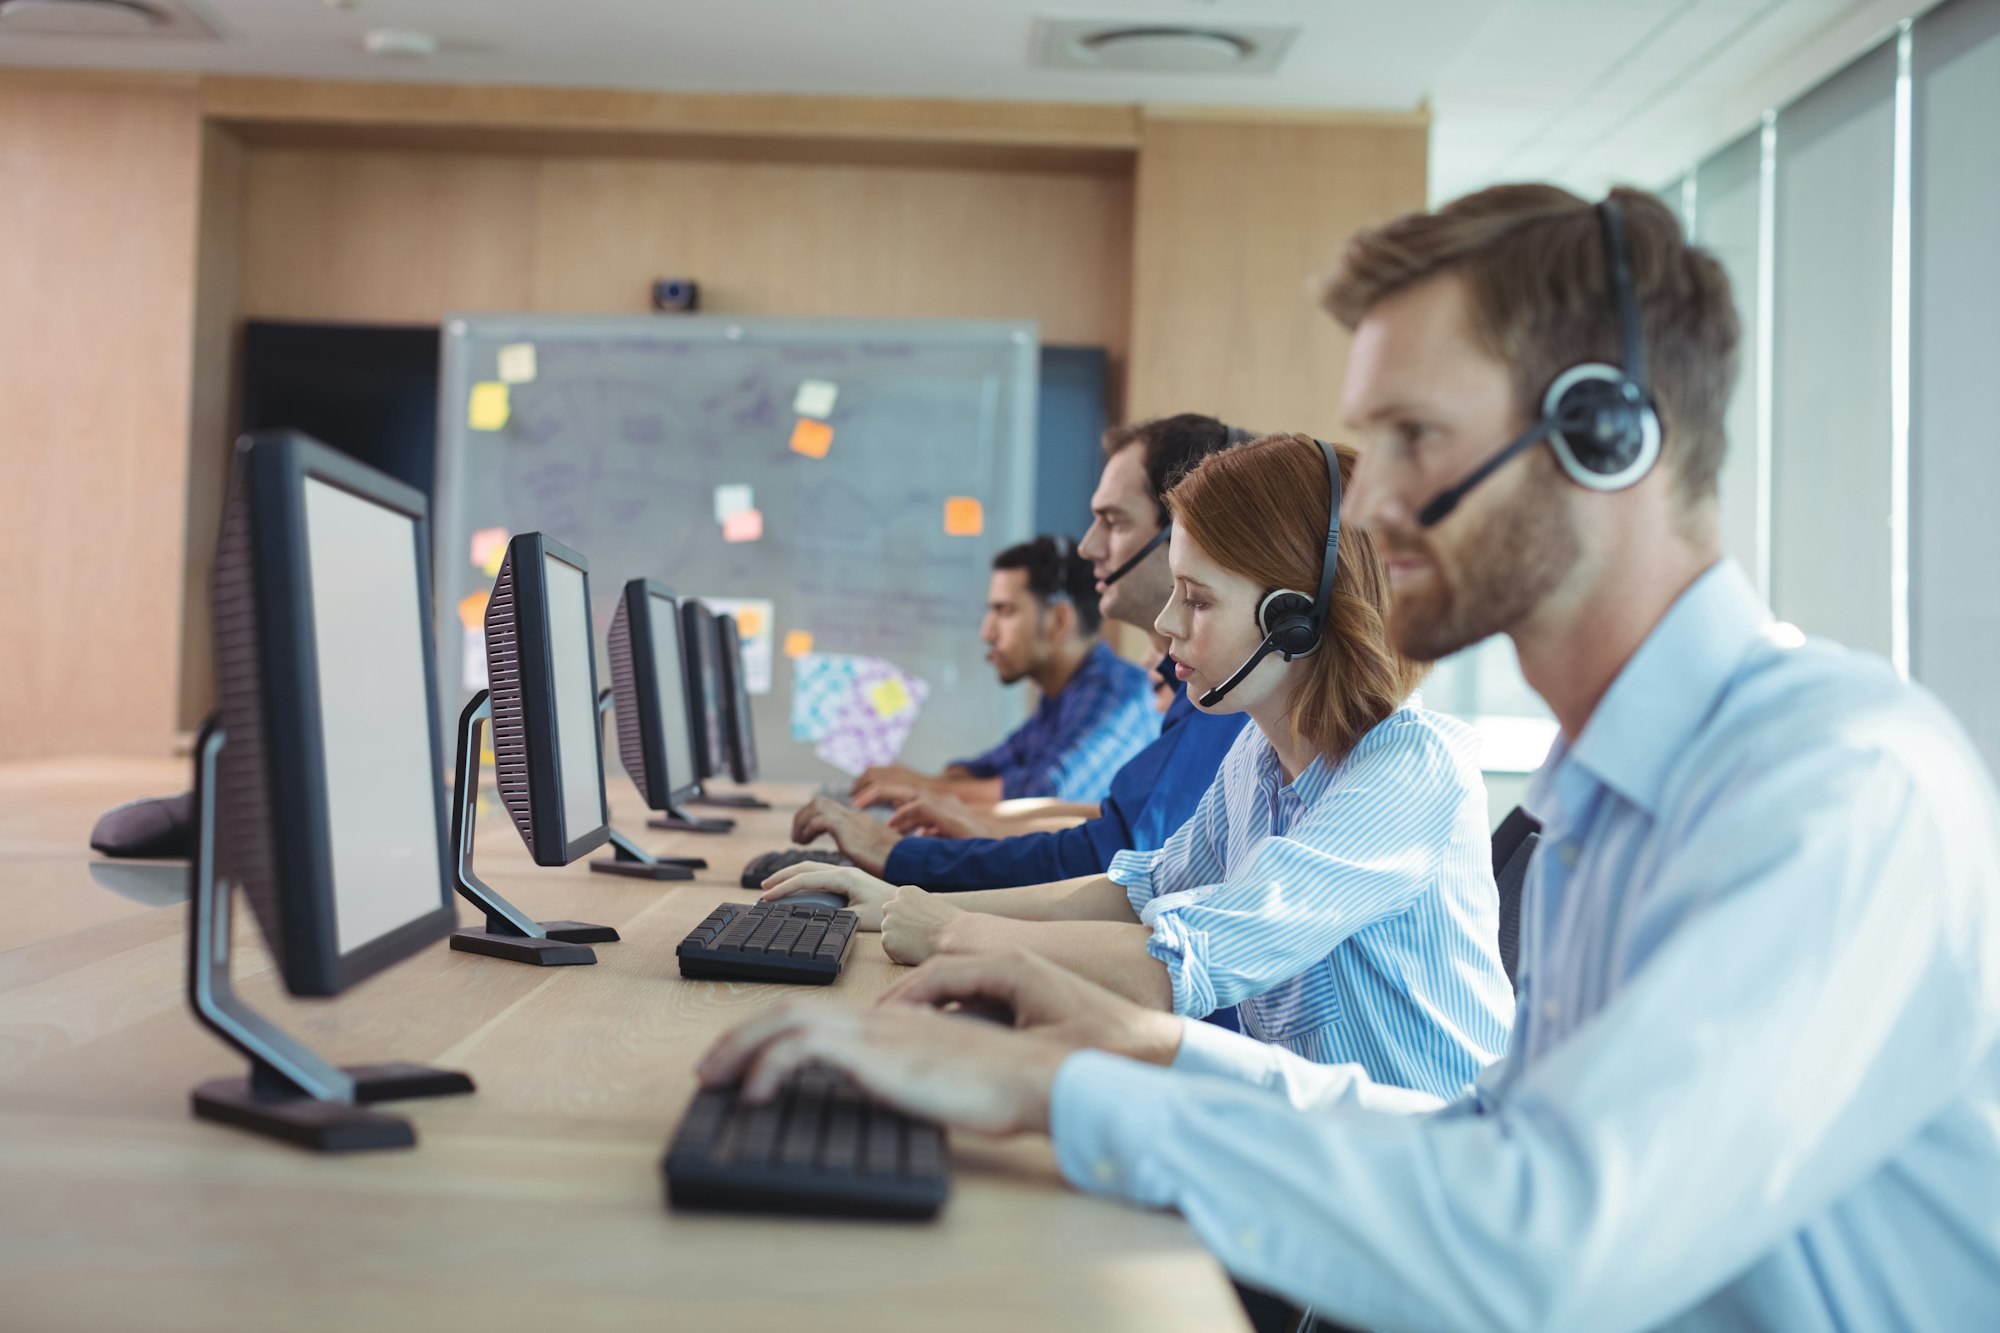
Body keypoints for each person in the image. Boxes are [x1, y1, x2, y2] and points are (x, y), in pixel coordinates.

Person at [703, 184, 2000, 1330]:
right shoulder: (1610, 790)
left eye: (1416, 440)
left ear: (1608, 437)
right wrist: (1129, 1053)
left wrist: (1070, 1094)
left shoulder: (1828, 789)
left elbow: (1539, 1243)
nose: (1367, 507)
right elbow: (1484, 1141)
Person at [767, 434, 1514, 1098]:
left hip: (1425, 1191)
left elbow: (1180, 960)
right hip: (1312, 1159)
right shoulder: (1258, 755)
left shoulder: (1412, 769)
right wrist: (903, 894)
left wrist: (956, 931)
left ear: (1296, 620)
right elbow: (1139, 894)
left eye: (1196, 599)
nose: (1164, 625)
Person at [789, 416, 1250, 886]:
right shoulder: (1184, 689)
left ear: (1185, 538)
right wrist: (943, 813)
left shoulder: (1204, 696)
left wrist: (907, 857)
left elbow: (1111, 860)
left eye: (1112, 522)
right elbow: (1046, 800)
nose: (1088, 547)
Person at [838, 535, 1157, 817]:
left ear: (1058, 620)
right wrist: (925, 785)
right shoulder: (1060, 695)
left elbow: (1045, 797)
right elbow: (988, 767)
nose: (986, 632)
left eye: (1005, 611)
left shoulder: (1115, 695)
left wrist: (922, 788)